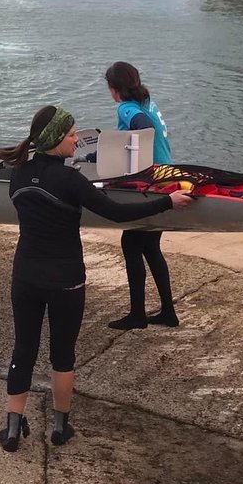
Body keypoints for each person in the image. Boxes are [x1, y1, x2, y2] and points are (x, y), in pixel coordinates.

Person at [0, 105, 192, 452]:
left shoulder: (18, 173)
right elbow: (116, 213)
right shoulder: (71, 180)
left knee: (23, 349)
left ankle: (11, 429)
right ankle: (60, 427)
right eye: (71, 134)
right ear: (56, 138)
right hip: (66, 279)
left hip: (25, 275)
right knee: (63, 353)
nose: (76, 139)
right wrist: (166, 203)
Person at [104, 62, 180, 330]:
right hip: (167, 177)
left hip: (151, 182)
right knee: (149, 246)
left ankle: (137, 315)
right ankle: (168, 312)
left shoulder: (127, 108)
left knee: (131, 243)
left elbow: (143, 127)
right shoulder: (148, 101)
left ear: (114, 89)